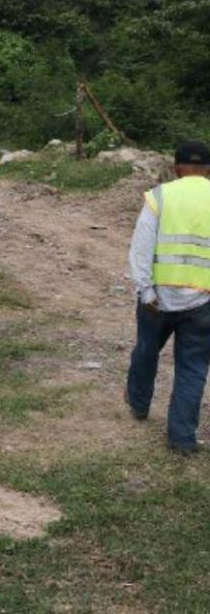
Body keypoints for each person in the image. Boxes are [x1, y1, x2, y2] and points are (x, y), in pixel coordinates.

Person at [125, 140, 210, 454]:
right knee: (193, 368)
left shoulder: (160, 196)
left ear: (175, 168)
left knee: (147, 350)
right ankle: (182, 439)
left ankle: (138, 403)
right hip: (203, 301)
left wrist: (145, 289)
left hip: (157, 299)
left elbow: (141, 247)